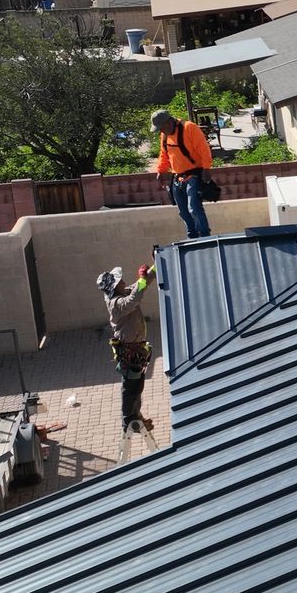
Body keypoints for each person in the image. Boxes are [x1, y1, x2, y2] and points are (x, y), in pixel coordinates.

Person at [98, 264, 155, 433]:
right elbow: (134, 299)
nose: (123, 281)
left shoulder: (122, 293)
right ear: (115, 286)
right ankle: (129, 420)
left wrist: (155, 265)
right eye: (119, 280)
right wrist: (142, 280)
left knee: (137, 386)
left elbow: (141, 285)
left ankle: (136, 416)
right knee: (130, 387)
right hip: (130, 352)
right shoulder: (116, 303)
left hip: (136, 350)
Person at [151, 109, 213, 239]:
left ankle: (205, 236)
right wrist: (161, 170)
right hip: (178, 177)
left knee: (194, 208)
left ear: (169, 122)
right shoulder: (165, 135)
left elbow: (204, 149)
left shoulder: (189, 128)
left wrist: (206, 169)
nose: (161, 131)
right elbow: (164, 154)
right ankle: (192, 236)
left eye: (161, 127)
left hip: (194, 175)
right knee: (183, 212)